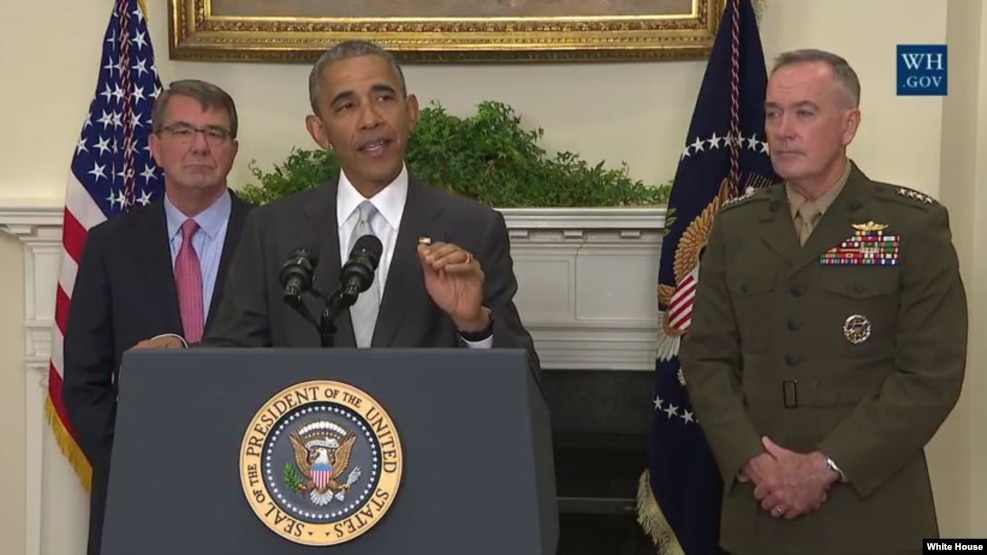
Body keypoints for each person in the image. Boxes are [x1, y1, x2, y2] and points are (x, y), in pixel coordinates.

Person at [679, 49, 967, 555]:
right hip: (759, 507)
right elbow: (705, 360)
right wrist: (754, 461)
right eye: (773, 113)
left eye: (804, 113)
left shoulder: (911, 225)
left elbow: (930, 375)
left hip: (871, 512)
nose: (782, 130)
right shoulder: (737, 226)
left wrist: (823, 467)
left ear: (849, 123)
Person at [140, 40, 540, 376]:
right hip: (310, 464)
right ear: (320, 132)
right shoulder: (272, 229)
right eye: (346, 106)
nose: (370, 119)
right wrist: (180, 353)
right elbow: (234, 353)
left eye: (383, 97)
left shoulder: (472, 227)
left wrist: (473, 324)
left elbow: (523, 380)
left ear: (411, 111)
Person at [62, 79, 254, 555]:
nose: (199, 146)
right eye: (184, 130)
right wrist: (132, 462)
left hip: (253, 483)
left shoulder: (272, 237)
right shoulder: (110, 245)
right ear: (156, 146)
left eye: (215, 133)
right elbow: (84, 383)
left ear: (232, 150)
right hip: (138, 486)